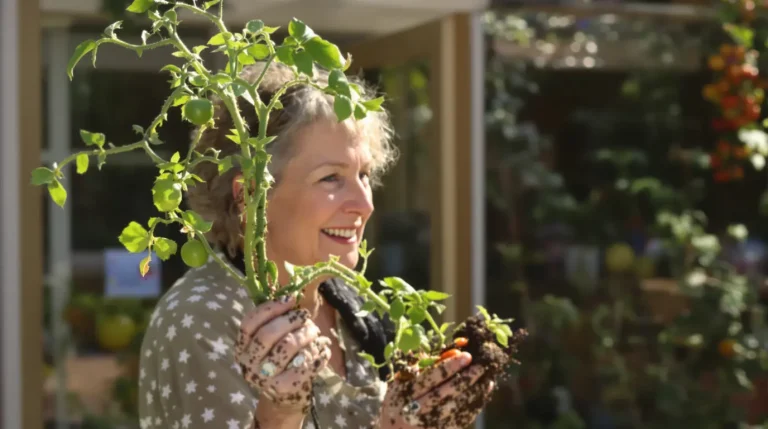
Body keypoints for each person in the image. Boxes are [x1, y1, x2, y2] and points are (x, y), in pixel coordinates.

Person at [138, 62, 495, 429]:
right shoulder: (201, 320)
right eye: (331, 179)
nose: (364, 204)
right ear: (250, 196)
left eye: (363, 175)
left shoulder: (347, 307)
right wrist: (279, 414)